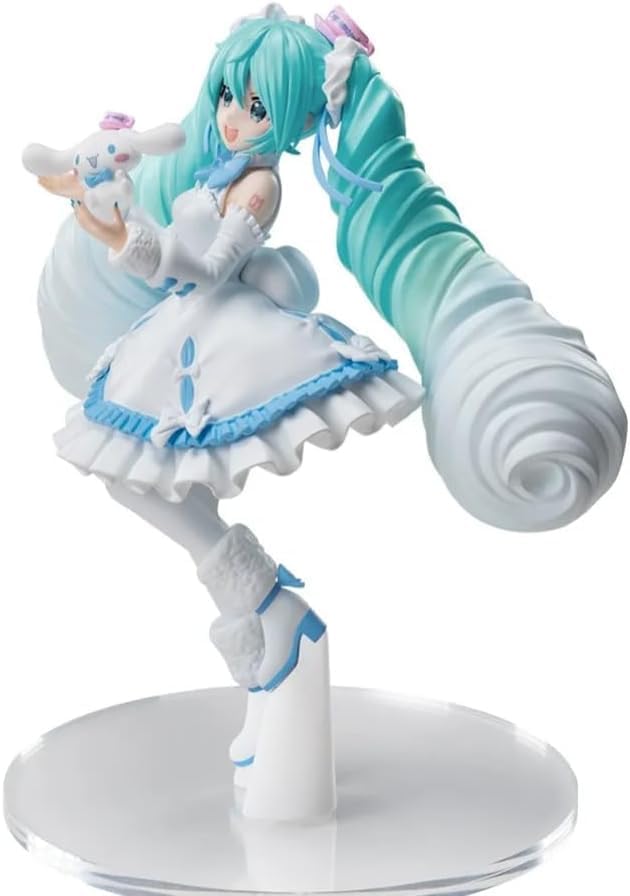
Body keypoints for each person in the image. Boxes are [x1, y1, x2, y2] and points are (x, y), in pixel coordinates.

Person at [29, 4, 627, 819]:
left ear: (295, 117)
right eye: (229, 95)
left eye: (258, 106)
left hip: (223, 334)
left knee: (141, 472)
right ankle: (265, 617)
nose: (235, 117)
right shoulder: (214, 170)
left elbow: (209, 268)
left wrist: (135, 243)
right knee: (129, 471)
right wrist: (122, 220)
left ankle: (266, 612)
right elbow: (176, 266)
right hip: (182, 331)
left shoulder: (259, 185)